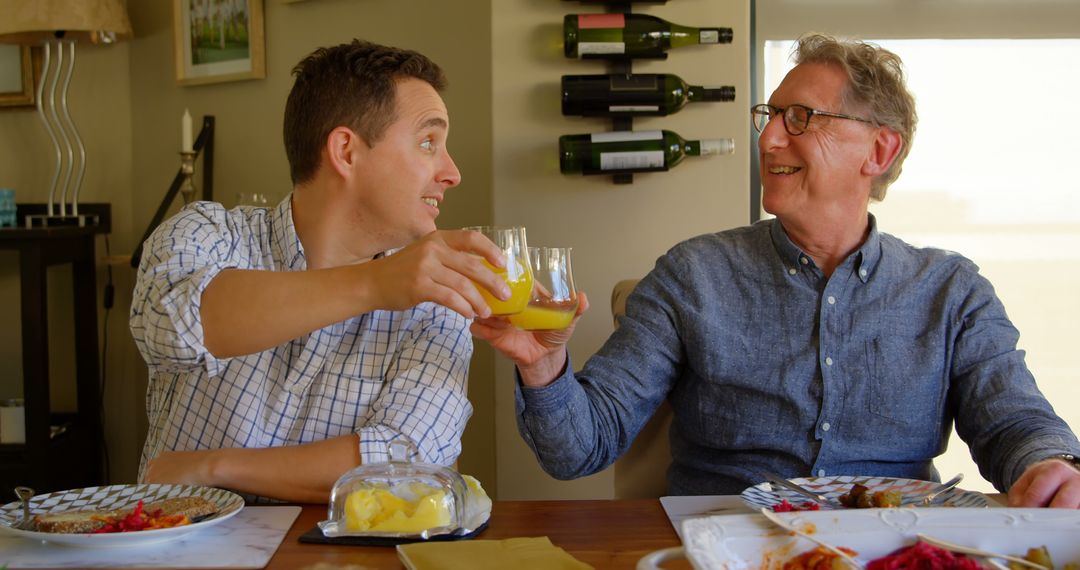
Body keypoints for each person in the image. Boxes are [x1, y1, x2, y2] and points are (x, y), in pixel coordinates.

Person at [472, 33, 1080, 508]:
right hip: (721, 547)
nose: (767, 140)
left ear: (879, 150)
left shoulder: (953, 291)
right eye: (769, 115)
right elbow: (579, 450)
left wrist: (1050, 466)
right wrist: (543, 366)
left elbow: (1016, 423)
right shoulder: (692, 274)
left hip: (891, 545)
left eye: (801, 118)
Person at [130, 39, 511, 503]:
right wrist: (376, 283)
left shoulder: (435, 298)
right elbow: (170, 327)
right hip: (180, 540)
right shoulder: (206, 233)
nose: (452, 172)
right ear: (346, 151)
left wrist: (214, 467)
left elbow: (410, 461)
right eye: (428, 142)